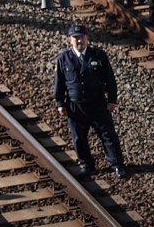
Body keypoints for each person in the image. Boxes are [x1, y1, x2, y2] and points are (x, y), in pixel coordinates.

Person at [51, 22, 126, 177]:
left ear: (87, 38)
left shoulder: (99, 55)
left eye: (82, 37)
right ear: (69, 40)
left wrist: (112, 99)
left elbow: (110, 79)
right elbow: (60, 82)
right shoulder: (64, 58)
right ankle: (87, 164)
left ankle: (117, 164)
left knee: (108, 135)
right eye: (76, 38)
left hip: (97, 104)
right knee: (79, 138)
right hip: (76, 106)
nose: (79, 41)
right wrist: (60, 103)